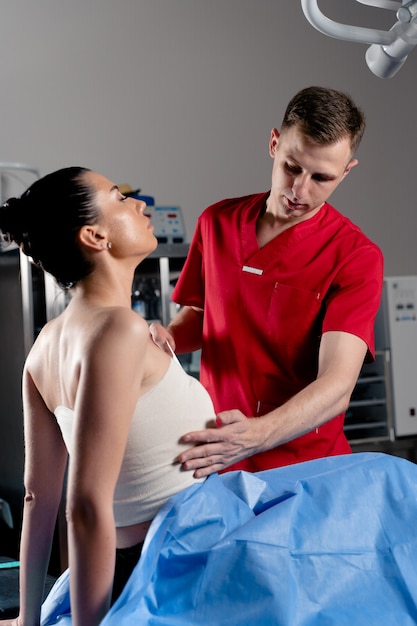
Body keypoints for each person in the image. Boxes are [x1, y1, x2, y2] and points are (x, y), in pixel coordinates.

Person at [0, 167, 216, 626]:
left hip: (137, 565)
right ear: (95, 235)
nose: (138, 205)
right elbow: (83, 505)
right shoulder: (119, 330)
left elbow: (38, 496)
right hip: (181, 565)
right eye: (119, 198)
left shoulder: (44, 345)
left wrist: (28, 618)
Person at [150, 85, 384, 477]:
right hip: (216, 452)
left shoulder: (356, 257)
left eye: (321, 178)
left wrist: (257, 436)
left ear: (346, 171)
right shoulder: (217, 222)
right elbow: (201, 312)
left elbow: (338, 384)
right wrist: (169, 340)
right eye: (292, 167)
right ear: (274, 144)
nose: (299, 190)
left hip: (304, 467)